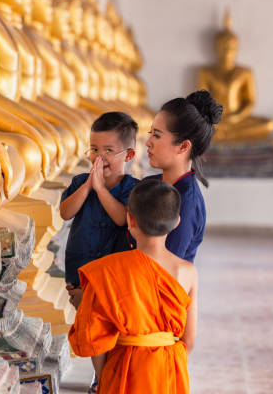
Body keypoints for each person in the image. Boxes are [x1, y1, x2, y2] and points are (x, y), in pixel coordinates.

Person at [69, 179, 198, 393]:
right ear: (176, 222)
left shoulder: (107, 271)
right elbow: (189, 340)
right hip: (168, 368)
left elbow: (95, 342)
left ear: (130, 220)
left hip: (123, 368)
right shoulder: (187, 271)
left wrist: (105, 378)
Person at [59, 111, 139, 393]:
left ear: (128, 156)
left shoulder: (132, 189)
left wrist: (102, 189)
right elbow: (65, 212)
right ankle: (102, 380)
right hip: (81, 270)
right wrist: (89, 186)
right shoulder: (81, 182)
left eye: (108, 150)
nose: (99, 157)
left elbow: (121, 219)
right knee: (92, 329)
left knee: (111, 329)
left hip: (114, 275)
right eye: (94, 149)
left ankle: (109, 380)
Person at [129, 90, 222, 263]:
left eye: (156, 135)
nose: (148, 142)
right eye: (150, 133)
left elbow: (163, 273)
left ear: (183, 146)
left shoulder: (186, 203)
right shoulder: (150, 184)